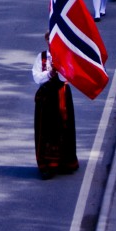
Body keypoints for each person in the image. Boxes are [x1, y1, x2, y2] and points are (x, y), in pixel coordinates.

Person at [32, 32, 80, 179]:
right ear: (46, 40)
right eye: (49, 39)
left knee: (64, 127)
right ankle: (47, 164)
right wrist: (49, 74)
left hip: (61, 95)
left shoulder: (65, 56)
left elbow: (70, 76)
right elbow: (36, 77)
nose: (51, 42)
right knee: (46, 130)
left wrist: (59, 70)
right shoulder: (41, 57)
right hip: (46, 98)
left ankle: (65, 161)